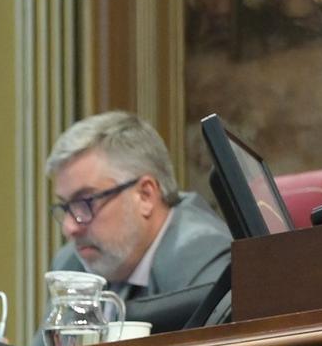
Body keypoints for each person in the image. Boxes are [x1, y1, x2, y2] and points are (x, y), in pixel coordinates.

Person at [47, 111, 231, 301]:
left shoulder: (202, 260)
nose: (69, 228)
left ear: (145, 196)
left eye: (85, 202)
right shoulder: (71, 266)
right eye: (65, 206)